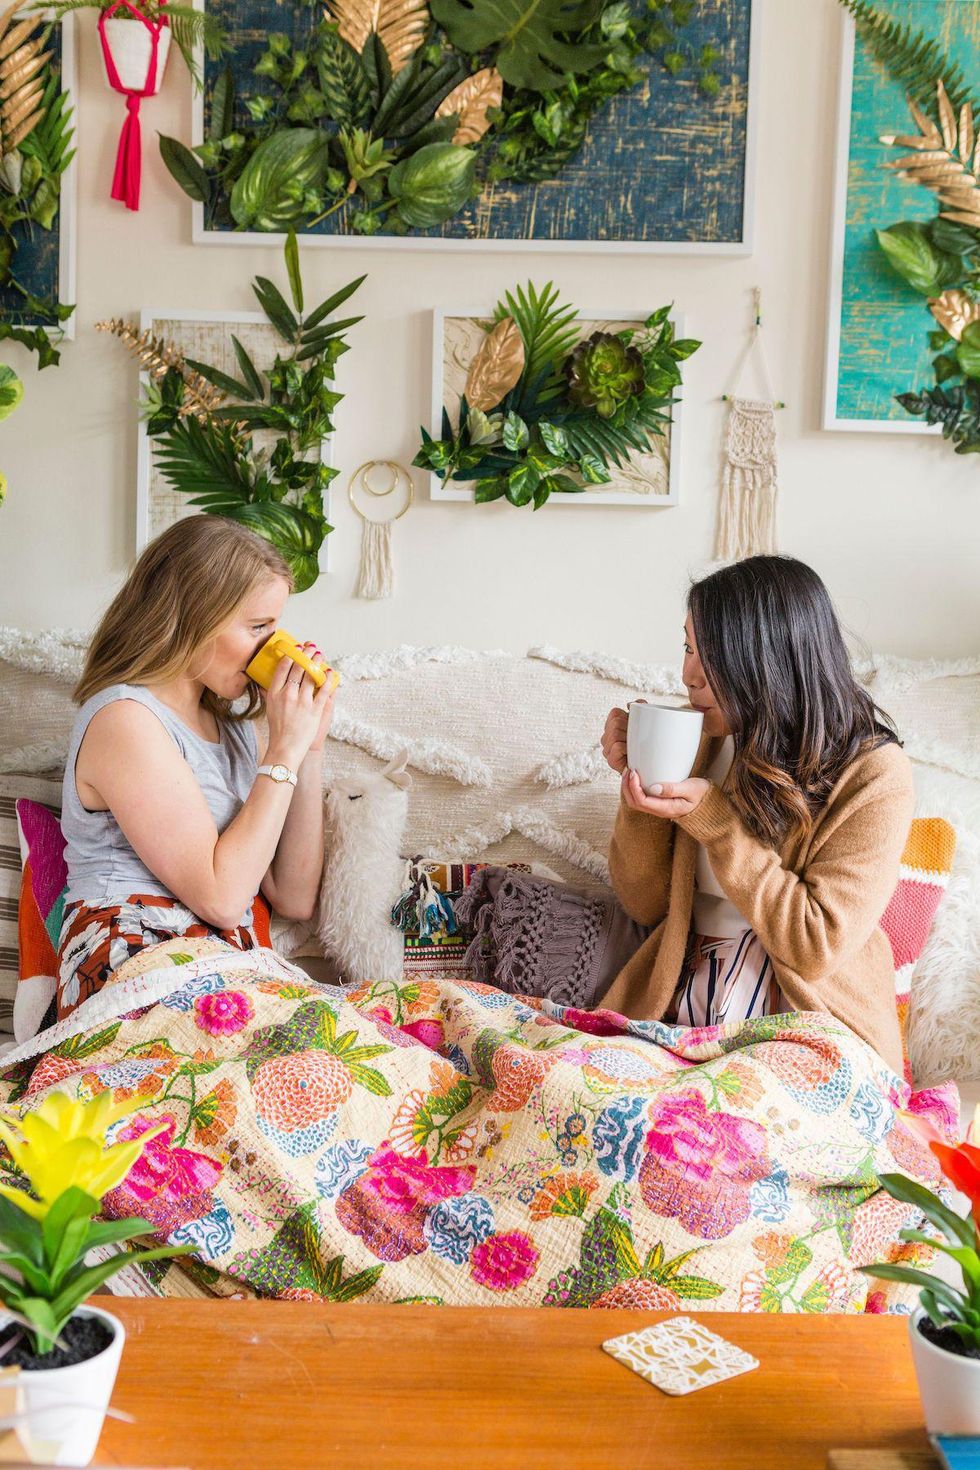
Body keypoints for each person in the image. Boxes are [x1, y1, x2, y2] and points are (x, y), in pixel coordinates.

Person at [600, 555, 914, 1074]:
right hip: (683, 998)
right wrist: (641, 791)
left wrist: (717, 823)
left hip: (805, 1018)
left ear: (768, 658)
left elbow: (815, 945)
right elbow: (645, 905)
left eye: (710, 654)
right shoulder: (702, 739)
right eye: (687, 647)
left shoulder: (875, 774)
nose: (687, 675)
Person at [57, 516, 335, 1019]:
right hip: (133, 958)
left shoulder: (231, 727)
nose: (275, 647)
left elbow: (293, 897)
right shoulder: (125, 719)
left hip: (224, 966)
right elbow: (224, 900)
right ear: (194, 616)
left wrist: (306, 748)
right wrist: (281, 755)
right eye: (258, 627)